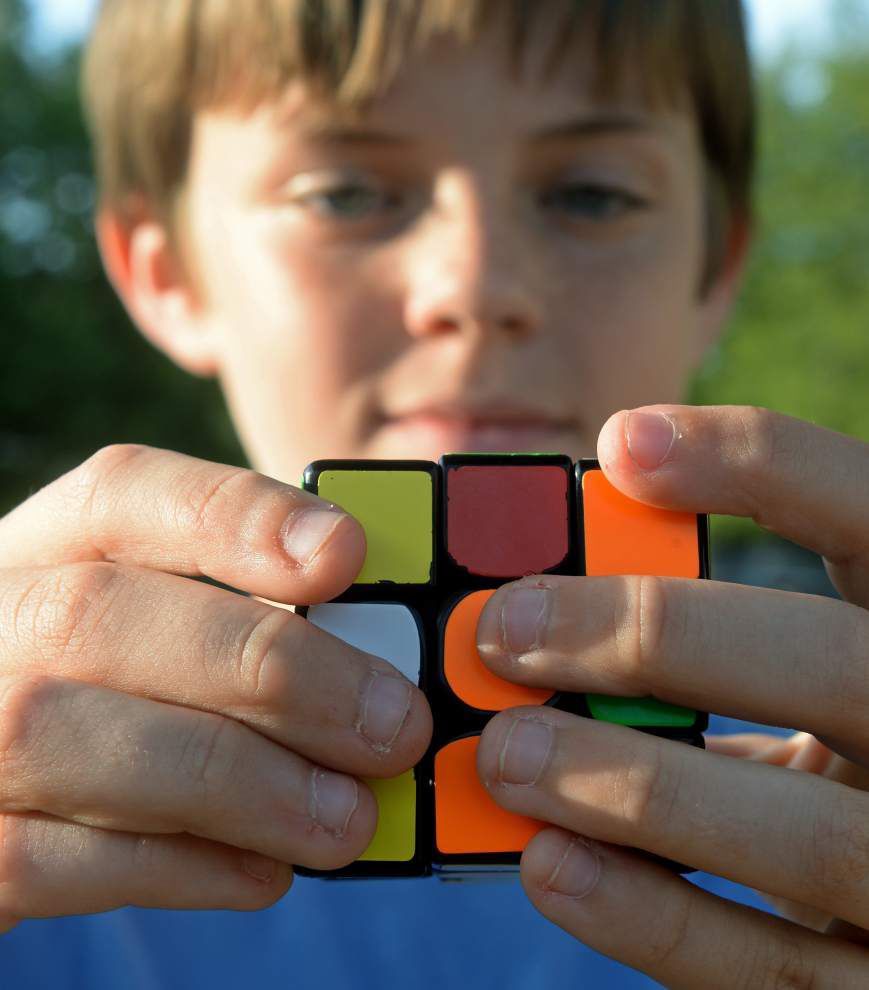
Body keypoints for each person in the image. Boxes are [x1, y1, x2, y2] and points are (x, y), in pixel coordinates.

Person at [1, 0, 868, 986]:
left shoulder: (838, 794)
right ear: (167, 274)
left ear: (714, 270)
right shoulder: (33, 824)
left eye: (588, 195)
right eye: (340, 193)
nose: (474, 282)